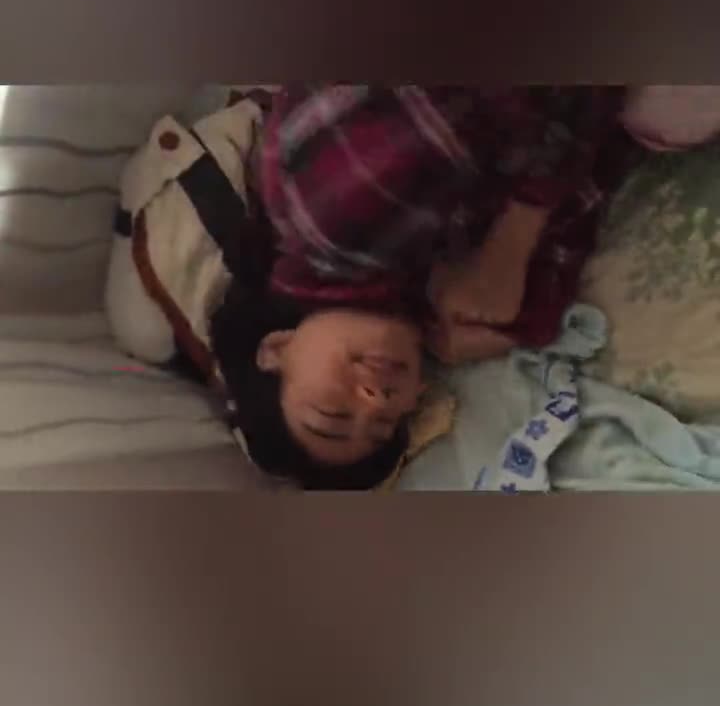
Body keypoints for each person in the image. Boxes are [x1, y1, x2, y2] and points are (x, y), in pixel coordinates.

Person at [107, 85, 634, 489]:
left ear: (277, 348)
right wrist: (522, 320)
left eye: (332, 414)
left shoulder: (332, 215)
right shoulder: (413, 278)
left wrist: (512, 242)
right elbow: (594, 184)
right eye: (385, 421)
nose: (376, 399)